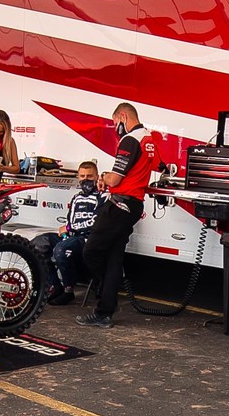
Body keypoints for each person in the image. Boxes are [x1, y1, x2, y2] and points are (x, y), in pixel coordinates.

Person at [78, 103, 159, 329]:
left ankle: (105, 296)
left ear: (123, 116)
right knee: (113, 258)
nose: (116, 127)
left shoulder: (130, 140)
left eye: (115, 122)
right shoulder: (149, 138)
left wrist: (103, 175)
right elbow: (158, 165)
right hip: (134, 205)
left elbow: (114, 180)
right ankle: (104, 311)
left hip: (120, 204)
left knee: (91, 251)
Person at [46, 160, 103, 304]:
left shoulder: (102, 196)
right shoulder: (76, 197)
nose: (86, 179)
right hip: (72, 237)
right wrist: (67, 231)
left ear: (97, 177)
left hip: (88, 239)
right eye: (82, 176)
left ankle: (68, 291)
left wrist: (71, 228)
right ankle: (55, 285)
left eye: (89, 176)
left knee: (61, 249)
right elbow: (69, 220)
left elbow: (95, 223)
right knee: (38, 244)